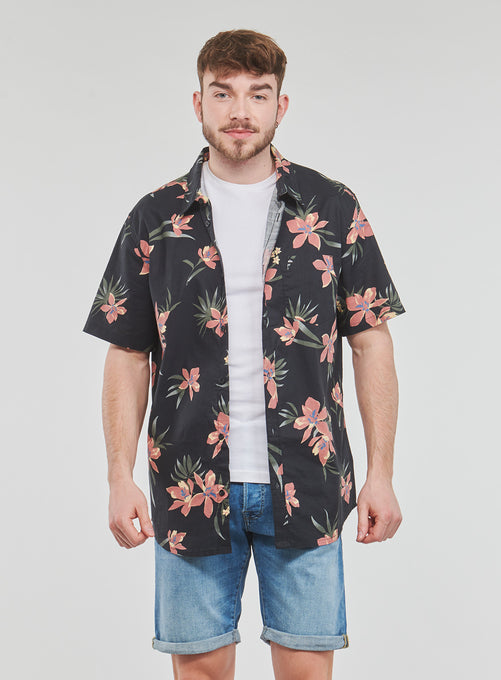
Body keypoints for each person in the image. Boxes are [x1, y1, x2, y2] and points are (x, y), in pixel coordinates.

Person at [83, 29, 405, 680]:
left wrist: (381, 473)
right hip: (189, 484)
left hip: (309, 480)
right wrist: (119, 477)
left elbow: (371, 341)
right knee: (199, 671)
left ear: (280, 106)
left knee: (306, 671)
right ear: (196, 103)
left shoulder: (331, 207)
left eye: (258, 94)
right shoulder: (155, 218)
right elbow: (126, 353)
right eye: (222, 92)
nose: (239, 111)